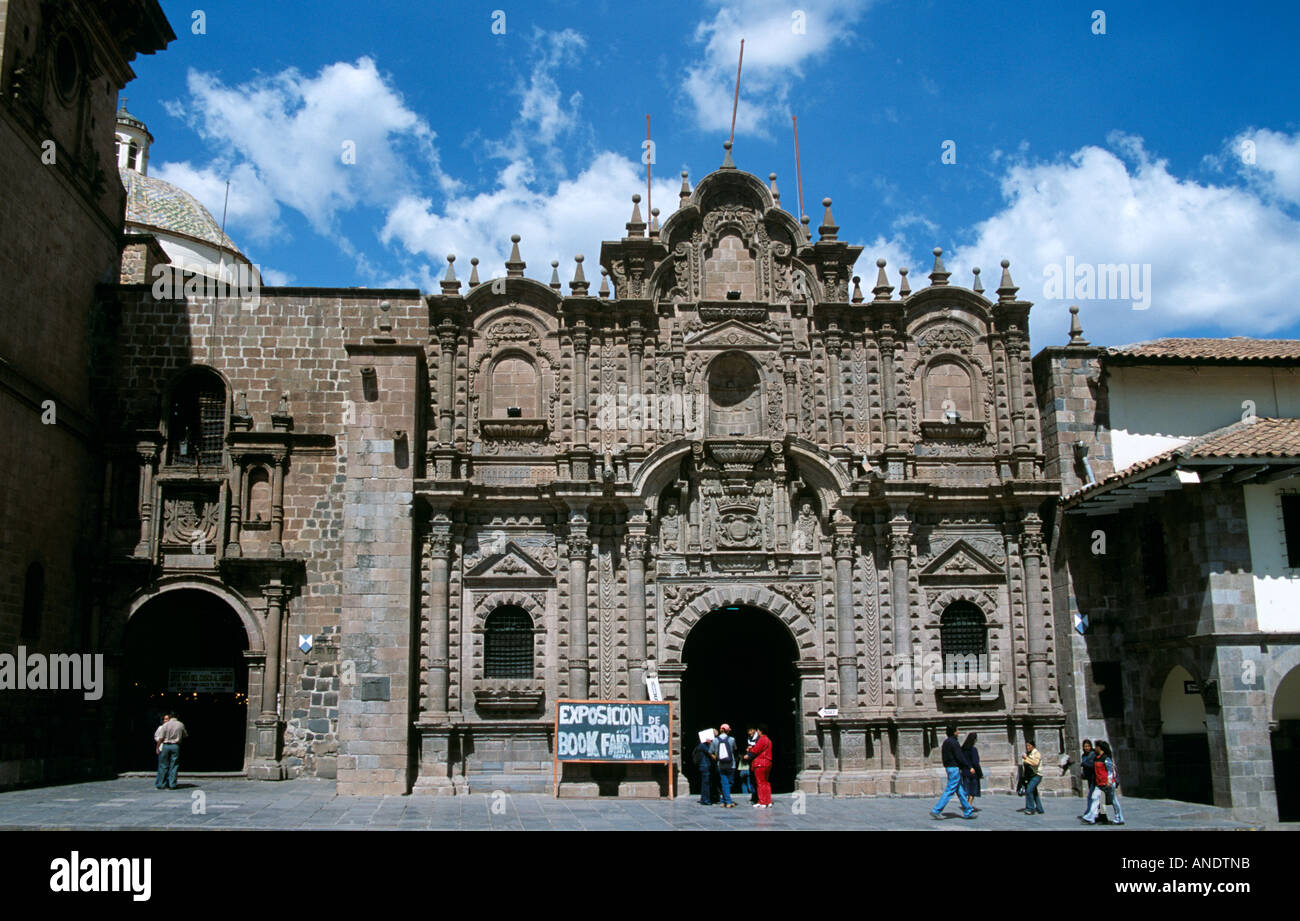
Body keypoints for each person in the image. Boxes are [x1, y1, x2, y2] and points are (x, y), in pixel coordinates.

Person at [930, 723, 977, 819]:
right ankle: (936, 810)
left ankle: (968, 811)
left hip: (949, 767)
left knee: (960, 791)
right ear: (954, 732)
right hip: (954, 768)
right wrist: (968, 766)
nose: (958, 732)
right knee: (950, 790)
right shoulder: (954, 743)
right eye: (957, 730)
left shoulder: (946, 742)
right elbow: (960, 757)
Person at [1082, 740, 1126, 825]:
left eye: (1096, 747)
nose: (1095, 748)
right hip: (1099, 784)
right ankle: (1090, 817)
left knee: (1113, 801)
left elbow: (1110, 771)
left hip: (1107, 784)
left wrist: (1109, 782)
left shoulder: (1106, 758)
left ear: (1100, 748)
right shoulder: (1097, 758)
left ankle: (1119, 818)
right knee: (1095, 798)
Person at [153, 712, 188, 790]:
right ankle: (172, 784)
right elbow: (185, 735)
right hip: (175, 745)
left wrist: (157, 747)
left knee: (163, 765)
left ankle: (161, 784)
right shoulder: (180, 724)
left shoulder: (165, 725)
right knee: (174, 765)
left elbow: (161, 738)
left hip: (166, 745)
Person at [745, 725, 773, 808]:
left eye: (758, 730)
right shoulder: (768, 740)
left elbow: (756, 750)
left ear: (760, 731)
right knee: (766, 783)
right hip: (767, 762)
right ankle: (768, 801)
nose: (757, 732)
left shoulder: (762, 739)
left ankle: (762, 802)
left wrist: (749, 749)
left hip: (760, 763)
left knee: (760, 783)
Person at [710, 723, 737, 808]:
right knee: (729, 782)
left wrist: (716, 758)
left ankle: (723, 800)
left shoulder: (715, 740)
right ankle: (728, 801)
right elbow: (734, 749)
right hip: (731, 764)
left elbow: (710, 751)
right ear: (728, 730)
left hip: (720, 764)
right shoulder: (732, 739)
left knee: (724, 783)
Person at [1077, 739, 1098, 822]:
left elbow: (1093, 765)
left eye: (1088, 746)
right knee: (1093, 797)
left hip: (1094, 778)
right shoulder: (1084, 755)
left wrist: (1084, 764)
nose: (1086, 748)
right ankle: (1096, 814)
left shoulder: (1093, 754)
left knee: (1091, 797)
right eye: (1085, 746)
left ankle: (1090, 813)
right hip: (1089, 778)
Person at [1021, 740, 1044, 815]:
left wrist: (1026, 758)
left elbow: (1035, 763)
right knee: (1034, 792)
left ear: (1032, 746)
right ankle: (1040, 809)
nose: (1027, 747)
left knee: (1029, 790)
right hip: (1030, 776)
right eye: (1026, 746)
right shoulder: (1029, 753)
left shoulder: (1036, 753)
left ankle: (1030, 809)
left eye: (1029, 746)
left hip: (1037, 775)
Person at [960, 732, 982, 806]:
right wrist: (980, 773)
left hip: (965, 771)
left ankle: (966, 804)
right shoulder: (973, 749)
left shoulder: (962, 749)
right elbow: (976, 762)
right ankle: (969, 805)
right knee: (972, 790)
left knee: (966, 789)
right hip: (973, 772)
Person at [694, 733, 715, 805]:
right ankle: (706, 800)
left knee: (704, 783)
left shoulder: (701, 745)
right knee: (706, 783)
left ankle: (703, 798)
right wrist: (711, 743)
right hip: (705, 766)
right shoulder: (703, 746)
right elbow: (710, 752)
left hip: (703, 766)